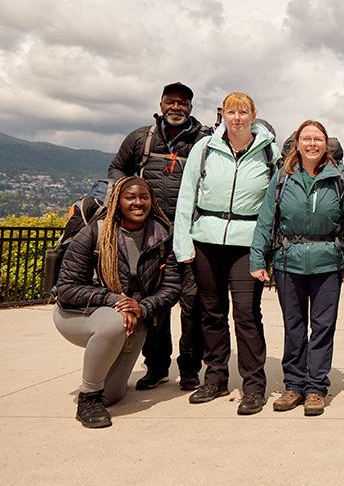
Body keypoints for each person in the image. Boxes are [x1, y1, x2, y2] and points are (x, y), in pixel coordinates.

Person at [173, 92, 280, 415]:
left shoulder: (269, 153)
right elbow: (187, 195)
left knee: (246, 313)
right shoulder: (204, 149)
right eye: (231, 112)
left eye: (243, 112)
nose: (237, 118)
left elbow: (275, 204)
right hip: (206, 238)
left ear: (253, 115)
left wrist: (268, 249)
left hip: (247, 242)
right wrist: (183, 243)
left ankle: (253, 384)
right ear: (222, 115)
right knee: (211, 311)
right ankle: (216, 377)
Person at [250, 120, 344, 416]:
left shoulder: (340, 179)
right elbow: (266, 221)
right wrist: (257, 259)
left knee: (323, 328)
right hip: (289, 261)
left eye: (318, 139)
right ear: (297, 143)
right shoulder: (283, 178)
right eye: (306, 138)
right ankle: (294, 386)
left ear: (326, 145)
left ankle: (315, 388)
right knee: (294, 326)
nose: (312, 144)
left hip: (329, 263)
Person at [53, 176, 180, 428]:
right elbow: (66, 288)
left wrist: (141, 307)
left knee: (111, 395)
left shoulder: (163, 237)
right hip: (80, 314)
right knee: (113, 322)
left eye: (144, 197)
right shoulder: (95, 233)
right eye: (130, 197)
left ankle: (97, 389)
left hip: (135, 320)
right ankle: (88, 400)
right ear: (117, 202)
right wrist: (114, 299)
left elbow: (171, 288)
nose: (138, 202)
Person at [107, 82, 210, 392]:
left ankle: (190, 368)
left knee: (193, 304)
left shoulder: (203, 141)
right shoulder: (141, 138)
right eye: (171, 102)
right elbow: (115, 169)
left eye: (182, 103)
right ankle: (156, 367)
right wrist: (122, 195)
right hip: (151, 236)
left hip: (191, 234)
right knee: (154, 305)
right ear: (161, 104)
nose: (176, 107)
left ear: (190, 107)